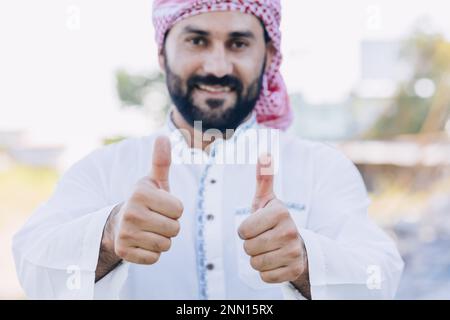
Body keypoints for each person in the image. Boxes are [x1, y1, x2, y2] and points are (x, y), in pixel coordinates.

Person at [12, 0, 404, 299]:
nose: (217, 66)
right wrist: (107, 237)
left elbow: (381, 278)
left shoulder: (321, 169)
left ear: (268, 57)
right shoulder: (103, 169)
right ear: (162, 52)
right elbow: (31, 269)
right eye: (197, 40)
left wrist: (306, 261)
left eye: (238, 43)